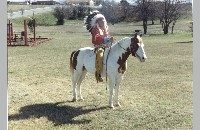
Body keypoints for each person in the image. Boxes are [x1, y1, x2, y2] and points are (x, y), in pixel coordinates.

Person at [84, 11, 114, 82]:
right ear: (98, 22)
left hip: (107, 47)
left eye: (103, 20)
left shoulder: (105, 30)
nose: (103, 22)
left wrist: (111, 40)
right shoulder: (95, 30)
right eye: (101, 21)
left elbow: (108, 37)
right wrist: (107, 39)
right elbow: (96, 39)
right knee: (100, 54)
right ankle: (98, 73)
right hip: (99, 47)